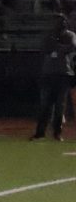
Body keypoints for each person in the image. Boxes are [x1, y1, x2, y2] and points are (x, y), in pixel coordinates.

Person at [31, 13, 75, 141]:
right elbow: (45, 48)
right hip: (48, 74)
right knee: (45, 105)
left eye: (60, 21)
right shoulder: (49, 35)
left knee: (60, 106)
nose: (57, 24)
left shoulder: (70, 35)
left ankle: (57, 133)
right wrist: (59, 48)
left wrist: (58, 47)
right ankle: (40, 133)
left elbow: (72, 47)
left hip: (63, 75)